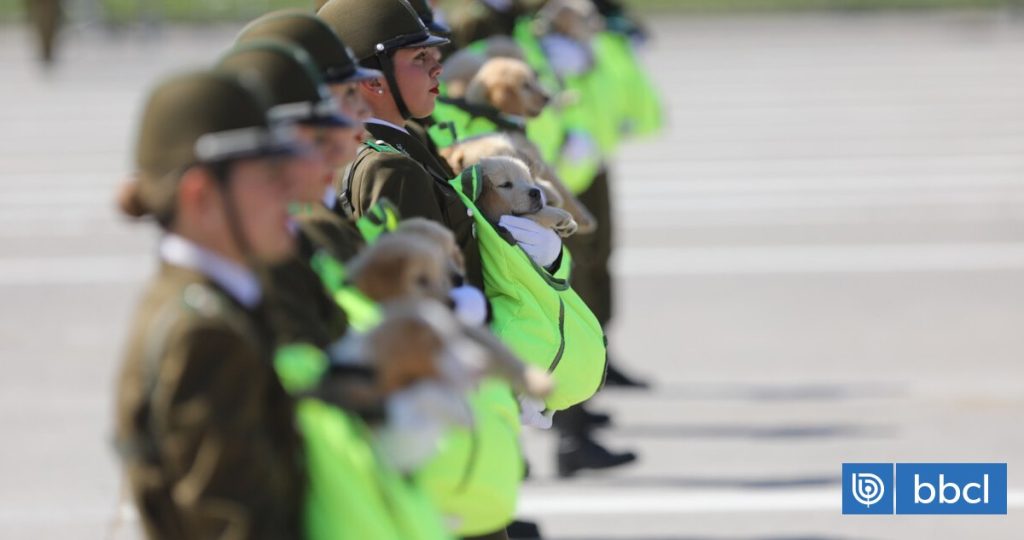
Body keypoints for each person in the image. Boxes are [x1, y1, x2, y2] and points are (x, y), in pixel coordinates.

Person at [112, 69, 310, 538]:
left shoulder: (217, 302)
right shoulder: (204, 333)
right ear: (201, 195)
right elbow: (237, 525)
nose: (291, 188)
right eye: (269, 173)